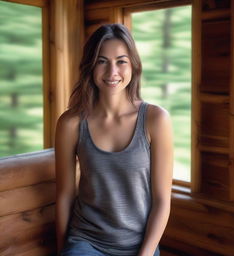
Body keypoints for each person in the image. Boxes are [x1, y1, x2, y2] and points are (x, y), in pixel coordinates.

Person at [55, 23, 173, 256]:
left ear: (134, 66)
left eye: (121, 61)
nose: (112, 73)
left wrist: (146, 253)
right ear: (90, 66)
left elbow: (162, 201)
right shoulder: (70, 123)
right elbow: (65, 195)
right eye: (102, 61)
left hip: (140, 246)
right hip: (86, 241)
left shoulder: (155, 119)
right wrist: (62, 251)